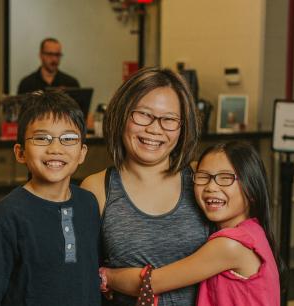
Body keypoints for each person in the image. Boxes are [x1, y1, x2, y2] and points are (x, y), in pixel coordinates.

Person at [80, 67, 209, 305]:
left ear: (183, 127)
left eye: (169, 119)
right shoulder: (97, 188)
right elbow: (85, 279)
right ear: (122, 115)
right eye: (143, 115)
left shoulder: (202, 177)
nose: (154, 129)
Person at [101, 141, 284, 306]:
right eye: (203, 176)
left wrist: (106, 275)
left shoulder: (230, 245)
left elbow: (152, 283)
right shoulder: (254, 231)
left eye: (226, 178)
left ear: (251, 189)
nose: (211, 187)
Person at [0, 89, 100, 306]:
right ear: (20, 152)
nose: (55, 148)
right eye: (42, 138)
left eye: (68, 138)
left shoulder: (88, 204)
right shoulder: (6, 216)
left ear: (82, 152)